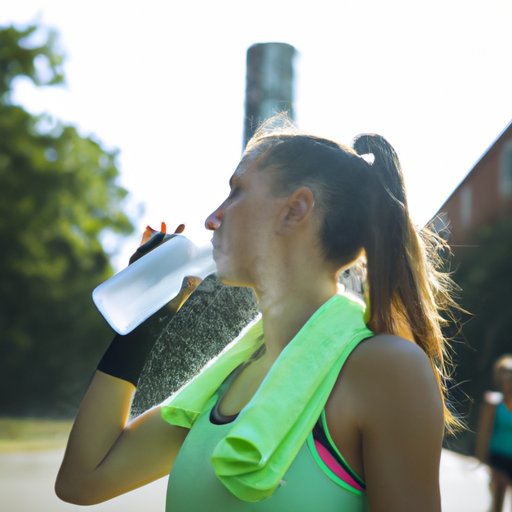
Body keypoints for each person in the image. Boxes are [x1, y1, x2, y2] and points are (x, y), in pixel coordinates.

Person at [55, 115, 461, 511]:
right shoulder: (229, 375)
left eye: (236, 191)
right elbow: (83, 480)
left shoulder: (385, 367)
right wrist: (142, 321)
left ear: (295, 210)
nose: (212, 219)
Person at [475, 354, 512, 512]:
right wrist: (482, 459)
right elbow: (484, 433)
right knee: (499, 495)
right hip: (497, 458)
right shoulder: (493, 403)